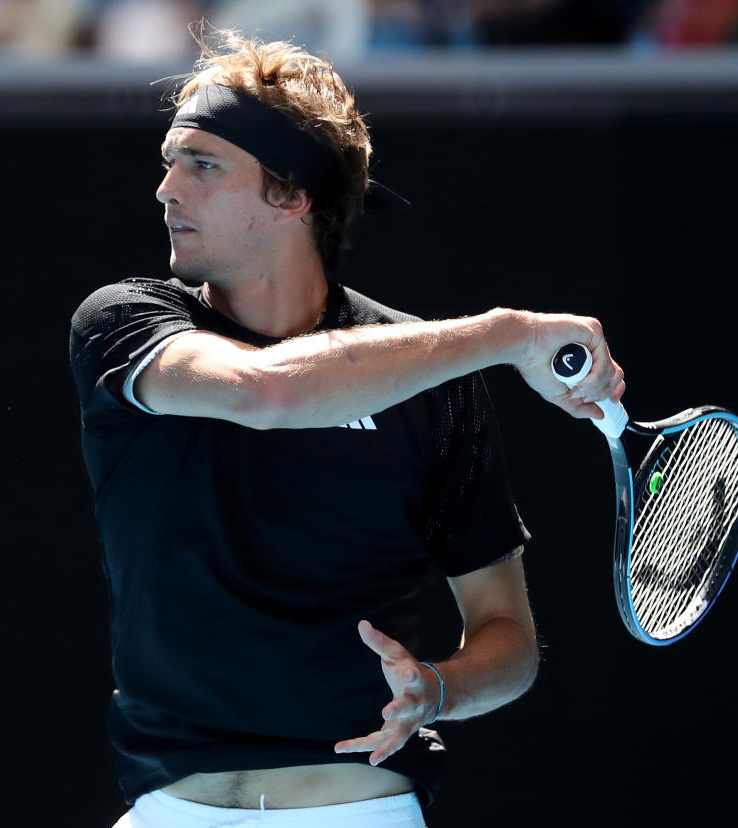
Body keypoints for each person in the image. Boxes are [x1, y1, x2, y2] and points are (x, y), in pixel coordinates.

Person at [69, 28, 625, 828]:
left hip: (356, 810)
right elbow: (270, 393)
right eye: (168, 159)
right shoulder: (120, 321)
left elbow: (506, 639)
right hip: (168, 809)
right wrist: (509, 334)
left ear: (292, 197)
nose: (165, 189)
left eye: (202, 165)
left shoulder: (435, 384)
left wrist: (438, 688)